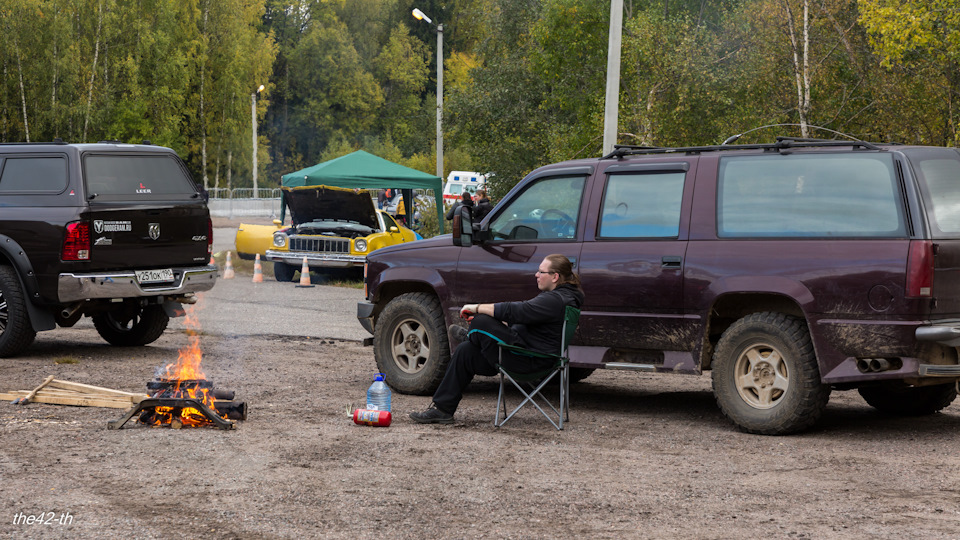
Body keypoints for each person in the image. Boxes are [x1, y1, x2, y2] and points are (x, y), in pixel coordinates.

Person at [409, 254, 584, 424]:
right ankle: (442, 410)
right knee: (466, 351)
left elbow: (517, 310)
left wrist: (476, 308)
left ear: (555, 277)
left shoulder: (555, 300)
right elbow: (524, 319)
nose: (536, 275)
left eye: (541, 272)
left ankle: (470, 335)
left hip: (529, 360)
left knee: (480, 321)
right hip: (527, 354)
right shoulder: (562, 298)